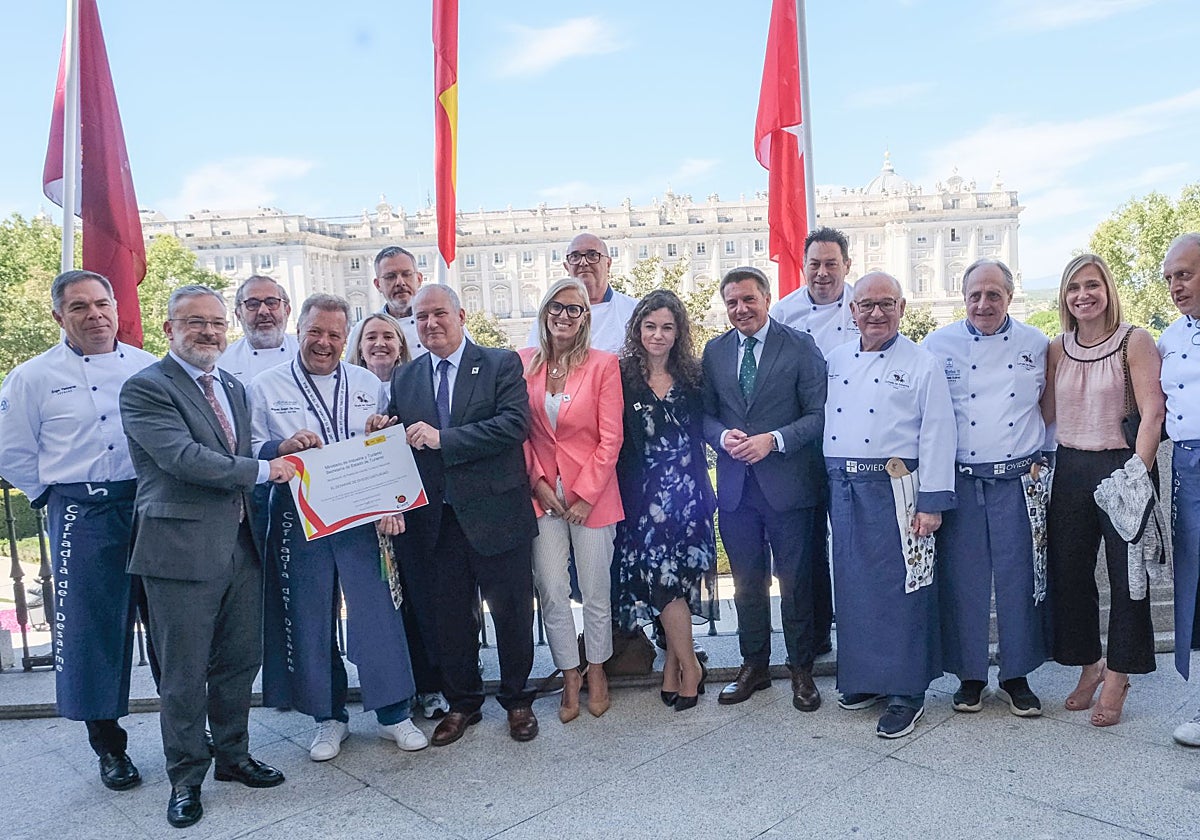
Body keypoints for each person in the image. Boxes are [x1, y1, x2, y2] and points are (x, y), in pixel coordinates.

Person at [120, 285, 295, 828]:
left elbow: (237, 453)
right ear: (168, 329)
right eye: (194, 323)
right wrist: (265, 471)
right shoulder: (146, 388)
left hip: (240, 544)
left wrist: (278, 452)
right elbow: (184, 459)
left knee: (239, 661)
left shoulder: (234, 388)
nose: (209, 332)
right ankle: (186, 777)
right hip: (178, 551)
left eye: (217, 323)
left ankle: (233, 756)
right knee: (182, 671)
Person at [249, 294, 423, 762]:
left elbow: (387, 444)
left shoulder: (367, 381)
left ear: (346, 337)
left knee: (377, 612)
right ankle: (328, 718)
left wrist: (392, 496)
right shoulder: (264, 386)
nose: (323, 342)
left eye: (333, 334)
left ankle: (393, 714)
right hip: (299, 515)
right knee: (310, 615)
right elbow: (244, 449)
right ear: (298, 330)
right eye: (315, 332)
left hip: (363, 516)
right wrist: (279, 446)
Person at [0, 270, 156, 792]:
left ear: (115, 307)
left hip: (147, 505)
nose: (95, 315)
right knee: (91, 631)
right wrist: (51, 497)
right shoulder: (31, 377)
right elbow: (14, 451)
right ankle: (109, 747)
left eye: (102, 304)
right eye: (80, 307)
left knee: (170, 622)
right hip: (80, 512)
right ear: (58, 316)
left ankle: (189, 728)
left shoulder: (147, 366)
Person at [381, 284, 540, 745]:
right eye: (421, 317)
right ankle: (462, 703)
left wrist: (443, 439)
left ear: (461, 315)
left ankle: (518, 700)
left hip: (496, 512)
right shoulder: (405, 377)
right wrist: (384, 430)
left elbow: (514, 425)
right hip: (435, 521)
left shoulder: (499, 363)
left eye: (438, 314)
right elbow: (403, 439)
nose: (430, 324)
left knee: (512, 613)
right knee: (449, 618)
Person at [824, 271, 957, 738]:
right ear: (852, 310)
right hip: (844, 489)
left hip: (896, 491)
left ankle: (907, 690)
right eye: (866, 304)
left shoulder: (923, 363)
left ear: (902, 309)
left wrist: (932, 502)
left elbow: (939, 433)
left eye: (886, 304)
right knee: (856, 590)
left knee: (904, 589)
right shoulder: (836, 359)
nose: (875, 313)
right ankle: (866, 679)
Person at [924, 259, 1052, 716]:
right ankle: (970, 675)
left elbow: (1049, 408)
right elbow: (929, 418)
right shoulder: (937, 345)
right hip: (961, 481)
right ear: (963, 298)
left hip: (1018, 481)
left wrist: (1043, 458)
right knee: (963, 581)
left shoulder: (1037, 344)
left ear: (1010, 298)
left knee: (1020, 580)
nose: (983, 303)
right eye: (975, 294)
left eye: (993, 294)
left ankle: (1017, 675)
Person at [1042, 253, 1163, 728]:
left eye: (1092, 285)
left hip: (1122, 466)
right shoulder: (1057, 347)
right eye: (1074, 288)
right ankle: (1090, 663)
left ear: (1108, 290)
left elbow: (1152, 413)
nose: (1083, 295)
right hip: (1070, 466)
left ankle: (1119, 675)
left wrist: (1138, 473)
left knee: (1128, 578)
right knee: (1069, 574)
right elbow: (1046, 413)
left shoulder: (1134, 340)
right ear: (1064, 298)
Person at [701, 266, 827, 713]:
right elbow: (706, 415)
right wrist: (721, 437)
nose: (740, 309)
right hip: (736, 493)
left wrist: (773, 440)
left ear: (767, 298)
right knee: (746, 584)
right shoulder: (714, 352)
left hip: (789, 487)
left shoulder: (799, 346)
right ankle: (753, 665)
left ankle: (802, 671)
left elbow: (818, 415)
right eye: (732, 302)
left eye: (748, 300)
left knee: (794, 584)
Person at [519, 278, 624, 721]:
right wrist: (537, 482)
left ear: (586, 318)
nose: (564, 316)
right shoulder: (522, 363)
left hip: (592, 496)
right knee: (552, 588)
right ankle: (569, 674)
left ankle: (597, 669)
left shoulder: (603, 365)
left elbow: (611, 437)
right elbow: (518, 430)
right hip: (541, 493)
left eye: (575, 310)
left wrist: (584, 494)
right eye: (557, 308)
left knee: (596, 590)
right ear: (545, 312)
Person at [615, 290, 716, 711]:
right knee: (662, 583)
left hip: (688, 496)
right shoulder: (620, 376)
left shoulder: (693, 377)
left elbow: (705, 432)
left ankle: (675, 664)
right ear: (638, 329)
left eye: (667, 327)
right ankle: (691, 666)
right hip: (644, 499)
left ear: (679, 333)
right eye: (651, 326)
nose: (658, 335)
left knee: (680, 580)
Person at [346, 311, 447, 721]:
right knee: (381, 609)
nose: (380, 343)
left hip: (412, 513)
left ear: (402, 344)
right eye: (371, 336)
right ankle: (393, 690)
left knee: (421, 600)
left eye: (389, 336)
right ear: (359, 345)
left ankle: (430, 684)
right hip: (361, 517)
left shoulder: (414, 382)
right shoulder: (348, 384)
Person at [770, 226, 860, 657]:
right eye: (815, 265)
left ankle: (860, 629)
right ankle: (816, 632)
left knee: (854, 540)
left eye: (831, 264)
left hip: (858, 442)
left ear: (847, 265)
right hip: (804, 446)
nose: (822, 273)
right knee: (808, 546)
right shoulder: (784, 314)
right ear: (803, 268)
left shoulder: (866, 306)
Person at [1161, 232, 1200, 747]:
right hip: (1188, 468)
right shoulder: (1168, 338)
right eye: (1170, 277)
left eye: (1184, 274)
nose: (1175, 285)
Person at [526, 233, 637, 354]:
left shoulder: (634, 311)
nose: (583, 262)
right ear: (567, 267)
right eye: (575, 256)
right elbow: (534, 361)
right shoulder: (551, 317)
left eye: (592, 255)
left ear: (608, 264)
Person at [218, 275, 299, 384]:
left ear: (287, 311)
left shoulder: (304, 354)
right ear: (238, 314)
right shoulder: (222, 363)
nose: (263, 311)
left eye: (271, 303)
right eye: (253, 304)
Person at [346, 311, 412, 375]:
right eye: (371, 338)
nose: (380, 344)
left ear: (400, 348)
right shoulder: (347, 384)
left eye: (388, 337)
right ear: (360, 348)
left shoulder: (417, 383)